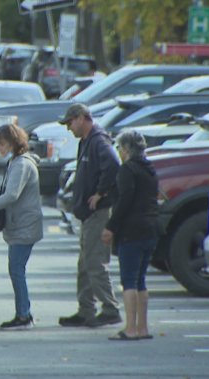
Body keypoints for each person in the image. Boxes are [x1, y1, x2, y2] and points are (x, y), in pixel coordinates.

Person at [58, 103, 122, 328]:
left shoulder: (98, 141)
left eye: (70, 123)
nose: (68, 128)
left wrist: (100, 192)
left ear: (81, 118)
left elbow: (114, 166)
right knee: (84, 264)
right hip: (88, 215)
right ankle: (86, 310)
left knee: (95, 262)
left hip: (98, 213)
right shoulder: (86, 142)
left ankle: (110, 309)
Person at [101, 130, 158, 341]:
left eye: (119, 149)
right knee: (141, 280)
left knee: (129, 281)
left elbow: (124, 200)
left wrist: (110, 226)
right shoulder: (149, 168)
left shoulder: (127, 170)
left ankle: (130, 328)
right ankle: (142, 328)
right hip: (150, 228)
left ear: (125, 150)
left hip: (131, 230)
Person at [0, 123, 43, 330]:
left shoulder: (21, 164)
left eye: (1, 144)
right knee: (16, 269)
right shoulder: (16, 161)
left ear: (12, 143)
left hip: (25, 226)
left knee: (16, 270)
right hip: (21, 225)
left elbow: (12, 195)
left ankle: (24, 315)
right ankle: (23, 313)